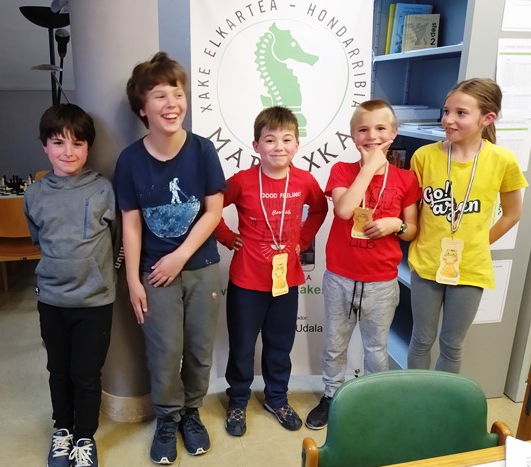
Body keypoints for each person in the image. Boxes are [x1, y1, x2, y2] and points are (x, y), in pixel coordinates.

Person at [113, 52, 226, 465]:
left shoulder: (202, 150)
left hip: (200, 266)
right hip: (154, 274)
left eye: (177, 93)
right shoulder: (130, 160)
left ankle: (191, 413)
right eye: (160, 95)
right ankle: (167, 418)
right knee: (163, 351)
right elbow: (131, 224)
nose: (172, 103)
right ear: (143, 108)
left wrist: (180, 256)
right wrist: (133, 280)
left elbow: (213, 212)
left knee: (198, 348)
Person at [305, 100, 421, 430]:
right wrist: (369, 168)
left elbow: (412, 230)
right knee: (335, 344)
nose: (372, 136)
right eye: (363, 130)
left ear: (394, 133)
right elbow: (344, 210)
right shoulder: (343, 171)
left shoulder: (406, 179)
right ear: (353, 136)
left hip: (381, 282)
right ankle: (331, 394)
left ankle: (374, 398)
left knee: (376, 348)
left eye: (381, 128)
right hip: (341, 277)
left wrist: (395, 224)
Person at [215, 106, 328, 436]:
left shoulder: (304, 180)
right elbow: (211, 207)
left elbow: (319, 210)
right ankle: (238, 400)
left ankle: (276, 398)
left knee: (280, 345)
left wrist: (302, 240)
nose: (279, 146)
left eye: (287, 139)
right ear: (256, 145)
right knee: (242, 346)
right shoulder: (242, 181)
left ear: (297, 144)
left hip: (286, 281)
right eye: (270, 140)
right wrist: (227, 237)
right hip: (246, 281)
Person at [407, 78, 528, 372]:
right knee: (421, 339)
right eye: (446, 111)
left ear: (487, 118)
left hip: (471, 269)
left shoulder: (503, 160)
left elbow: (512, 214)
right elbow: (411, 209)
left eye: (460, 113)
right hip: (426, 264)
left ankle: (443, 400)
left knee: (452, 344)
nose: (448, 119)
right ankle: (416, 397)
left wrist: (478, 243)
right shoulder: (424, 156)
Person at [24, 104, 116, 467]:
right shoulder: (34, 194)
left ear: (88, 148)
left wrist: (97, 272)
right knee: (58, 370)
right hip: (51, 300)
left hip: (94, 301)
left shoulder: (103, 189)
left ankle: (84, 438)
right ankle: (62, 429)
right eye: (58, 142)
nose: (68, 151)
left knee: (86, 374)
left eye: (78, 143)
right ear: (45, 146)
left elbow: (116, 240)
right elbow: (38, 240)